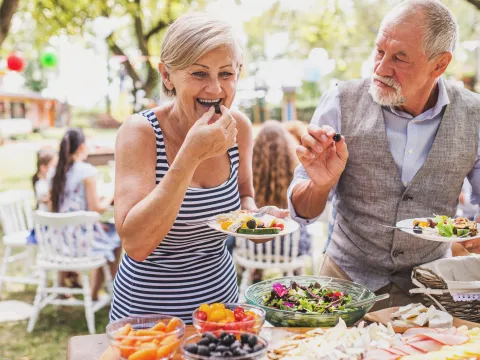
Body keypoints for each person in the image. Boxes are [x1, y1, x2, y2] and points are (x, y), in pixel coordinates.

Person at [288, 0, 480, 310]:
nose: (380, 68)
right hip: (344, 286)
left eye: (400, 58)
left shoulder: (474, 115)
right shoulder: (340, 101)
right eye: (379, 51)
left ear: (439, 64)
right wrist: (319, 185)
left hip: (432, 292)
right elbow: (303, 211)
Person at [111, 12, 287, 323]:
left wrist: (255, 219)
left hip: (220, 312)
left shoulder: (239, 128)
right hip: (148, 319)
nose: (216, 89)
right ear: (167, 76)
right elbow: (136, 244)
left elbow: (245, 196)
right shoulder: (140, 132)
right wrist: (190, 156)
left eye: (226, 74)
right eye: (199, 74)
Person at [49, 128, 121, 300]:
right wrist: (112, 193)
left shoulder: (55, 171)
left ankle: (61, 289)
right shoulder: (86, 171)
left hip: (55, 241)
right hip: (80, 242)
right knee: (116, 237)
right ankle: (96, 293)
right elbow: (96, 208)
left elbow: (53, 206)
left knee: (104, 230)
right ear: (81, 147)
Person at [249, 120, 311, 281]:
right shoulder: (296, 172)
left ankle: (257, 271)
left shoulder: (248, 173)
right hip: (291, 247)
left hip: (253, 248)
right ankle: (293, 273)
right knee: (300, 228)